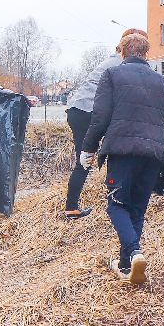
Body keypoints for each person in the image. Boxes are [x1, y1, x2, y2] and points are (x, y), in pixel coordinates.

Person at [79, 33, 164, 281]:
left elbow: (100, 117)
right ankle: (128, 266)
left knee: (117, 206)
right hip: (154, 156)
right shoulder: (163, 83)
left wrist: (88, 148)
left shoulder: (112, 75)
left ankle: (135, 252)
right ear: (147, 54)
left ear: (122, 53)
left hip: (122, 152)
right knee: (137, 209)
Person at [61, 30, 146, 220]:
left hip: (78, 110)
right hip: (87, 112)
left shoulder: (113, 61)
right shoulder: (120, 65)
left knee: (86, 159)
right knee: (92, 157)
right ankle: (113, 202)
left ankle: (74, 206)